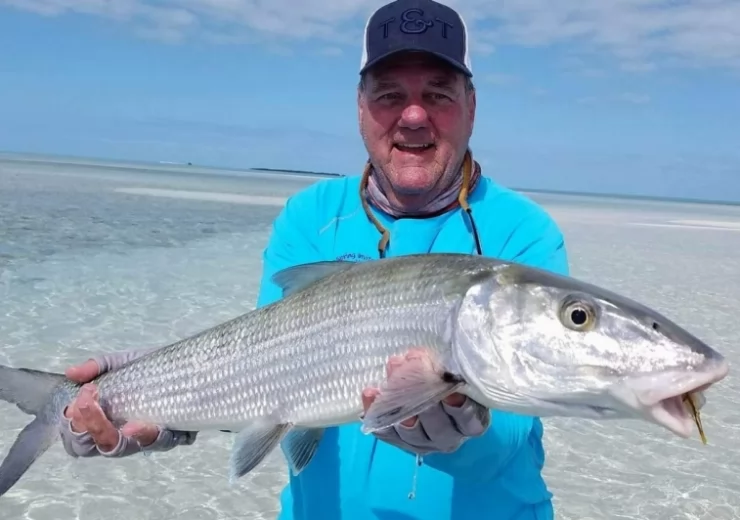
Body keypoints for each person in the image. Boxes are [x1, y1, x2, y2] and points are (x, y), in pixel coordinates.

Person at [60, 0, 570, 518]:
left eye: (438, 94)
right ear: (360, 107)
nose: (414, 116)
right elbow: (265, 375)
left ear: (471, 106)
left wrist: (464, 438)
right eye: (389, 95)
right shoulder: (311, 216)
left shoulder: (523, 233)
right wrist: (155, 404)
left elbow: (513, 432)